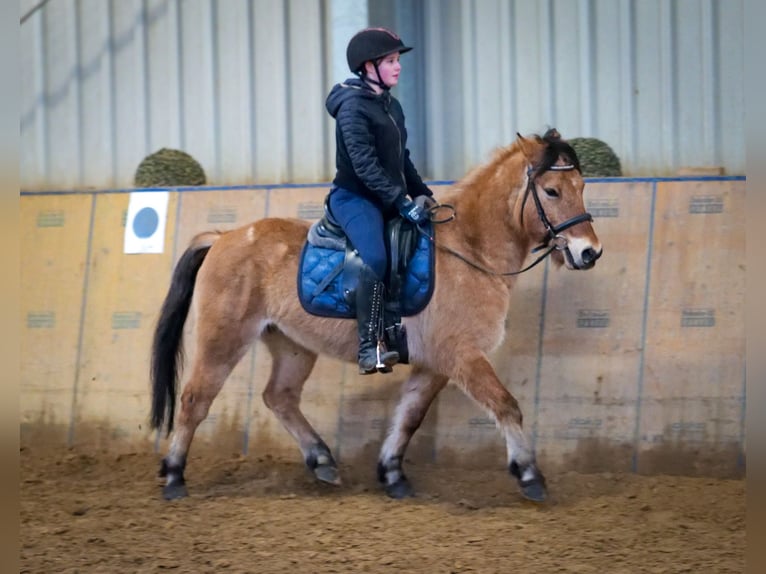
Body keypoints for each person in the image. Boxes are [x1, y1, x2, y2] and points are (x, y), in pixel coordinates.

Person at [325, 27, 436, 375]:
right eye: (390, 60)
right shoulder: (352, 109)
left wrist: (425, 194)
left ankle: (399, 328)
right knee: (375, 256)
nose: (398, 66)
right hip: (355, 198)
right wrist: (401, 202)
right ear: (368, 67)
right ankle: (368, 347)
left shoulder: (392, 105)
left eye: (397, 60)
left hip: (386, 196)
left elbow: (400, 158)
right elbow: (365, 166)